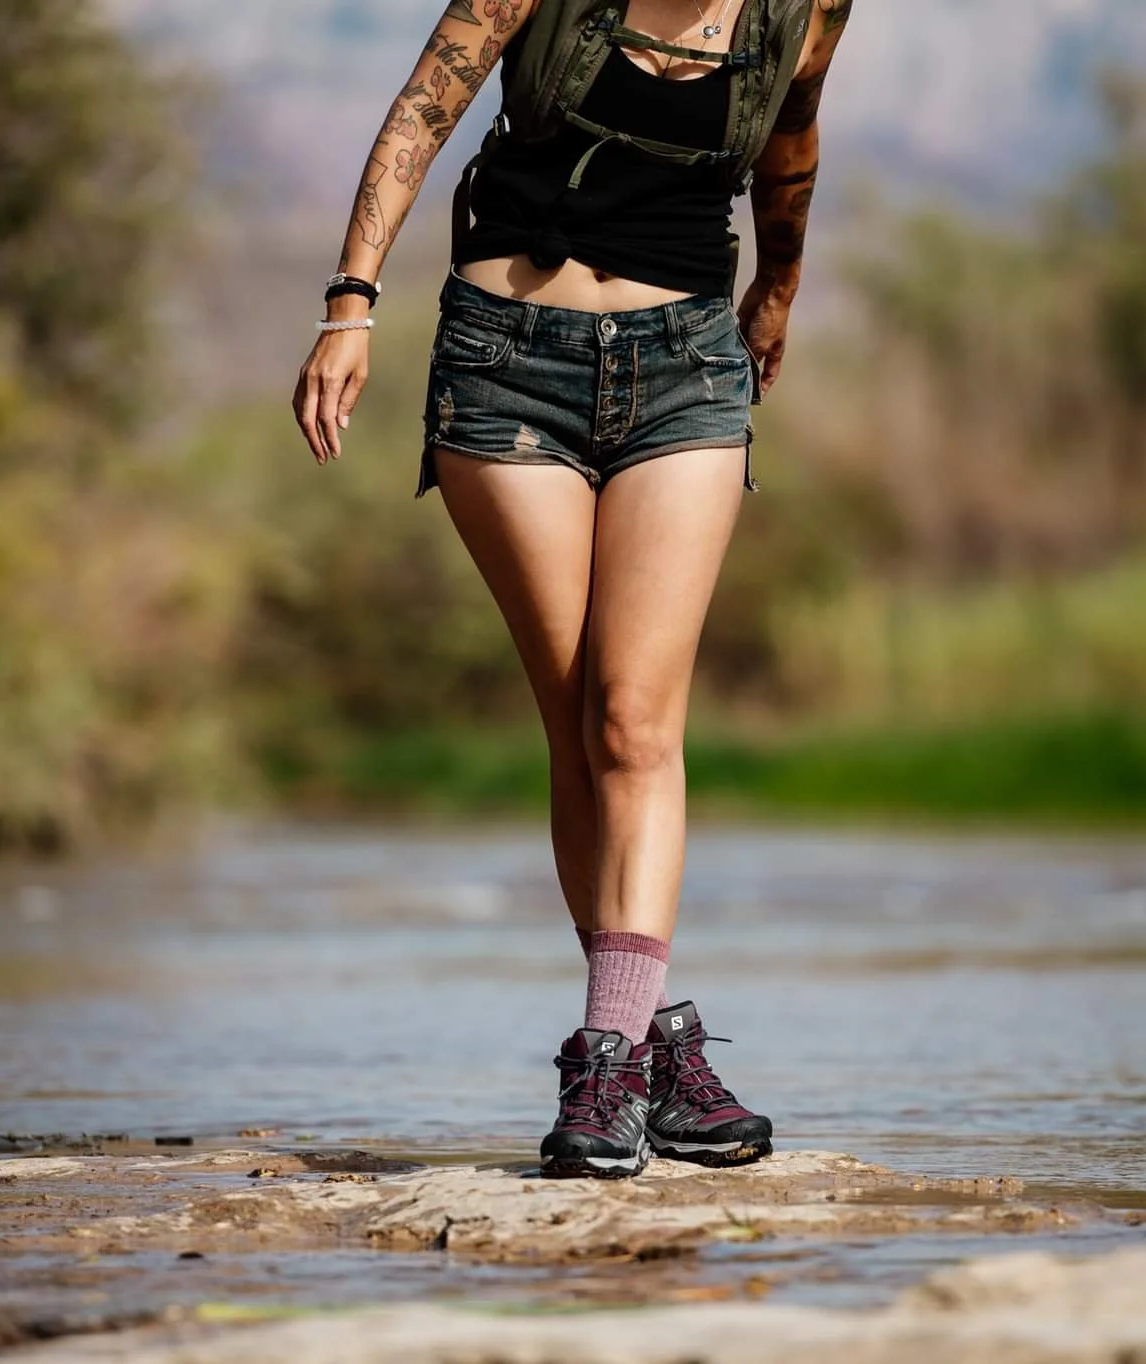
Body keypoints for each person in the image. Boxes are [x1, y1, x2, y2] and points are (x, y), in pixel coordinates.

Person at [292, 0, 853, 1179]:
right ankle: (652, 1049)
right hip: (507, 366)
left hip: (687, 367)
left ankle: (610, 1057)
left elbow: (791, 132)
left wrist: (781, 288)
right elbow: (421, 109)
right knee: (574, 717)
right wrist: (352, 301)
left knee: (632, 719)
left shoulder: (807, 4)